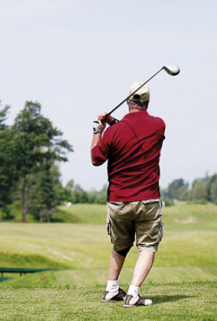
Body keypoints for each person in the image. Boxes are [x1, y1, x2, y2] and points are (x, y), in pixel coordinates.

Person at [91, 82, 165, 308]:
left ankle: (111, 289)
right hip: (148, 200)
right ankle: (133, 294)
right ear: (148, 102)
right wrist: (113, 123)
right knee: (148, 246)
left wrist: (99, 129)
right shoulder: (158, 125)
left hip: (118, 200)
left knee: (120, 246)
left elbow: (96, 158)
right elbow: (135, 129)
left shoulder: (113, 131)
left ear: (127, 102)